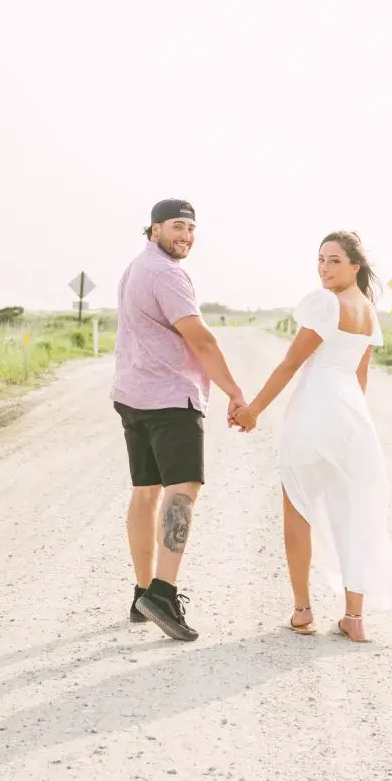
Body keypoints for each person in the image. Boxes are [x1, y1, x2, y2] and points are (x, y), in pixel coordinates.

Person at [232, 231, 392, 642]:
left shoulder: (325, 303)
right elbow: (360, 377)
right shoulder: (369, 311)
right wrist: (353, 421)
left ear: (355, 266)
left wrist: (253, 410)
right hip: (352, 415)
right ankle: (354, 617)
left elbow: (290, 363)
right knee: (353, 511)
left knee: (298, 505)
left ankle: (303, 612)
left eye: (334, 260)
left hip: (315, 408)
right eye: (320, 259)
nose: (323, 267)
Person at [112, 199, 247, 641]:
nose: (185, 235)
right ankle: (163, 593)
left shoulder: (135, 268)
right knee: (184, 489)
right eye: (176, 226)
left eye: (190, 228)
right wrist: (234, 391)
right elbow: (201, 339)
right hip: (169, 397)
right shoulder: (167, 274)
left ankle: (141, 593)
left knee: (146, 491)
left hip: (134, 394)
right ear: (153, 229)